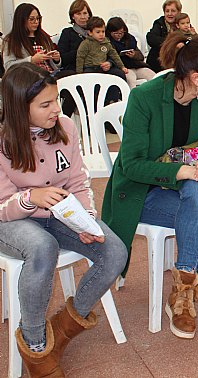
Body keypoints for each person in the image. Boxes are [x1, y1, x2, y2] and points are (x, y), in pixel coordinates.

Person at [102, 33, 198, 340]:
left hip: (186, 191)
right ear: (195, 77)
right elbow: (132, 165)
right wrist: (186, 171)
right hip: (142, 192)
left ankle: (183, 292)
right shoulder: (144, 97)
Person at [0, 63, 127, 376]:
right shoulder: (3, 140)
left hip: (60, 214)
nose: (56, 109)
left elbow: (77, 182)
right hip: (12, 219)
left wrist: (84, 220)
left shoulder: (66, 127)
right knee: (42, 247)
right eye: (45, 104)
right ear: (19, 107)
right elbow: (2, 206)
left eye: (56, 99)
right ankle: (36, 345)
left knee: (115, 252)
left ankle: (63, 328)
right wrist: (31, 198)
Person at [2, 3, 61, 73]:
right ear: (21, 20)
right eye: (31, 19)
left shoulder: (44, 37)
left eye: (38, 18)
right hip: (28, 79)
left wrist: (56, 60)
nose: (36, 22)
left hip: (49, 75)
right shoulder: (11, 40)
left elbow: (53, 66)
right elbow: (8, 66)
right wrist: (31, 60)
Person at [57, 0, 93, 116]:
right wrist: (81, 51)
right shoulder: (68, 33)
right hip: (74, 69)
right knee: (76, 84)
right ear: (73, 16)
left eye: (85, 13)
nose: (83, 17)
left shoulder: (96, 32)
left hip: (94, 67)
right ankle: (65, 120)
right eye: (78, 14)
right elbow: (62, 58)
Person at [106, 17, 156, 88]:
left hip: (136, 65)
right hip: (123, 68)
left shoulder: (129, 39)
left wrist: (134, 55)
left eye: (121, 33)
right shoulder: (107, 42)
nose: (118, 35)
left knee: (152, 75)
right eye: (115, 33)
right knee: (131, 79)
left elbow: (141, 56)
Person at [76, 16, 128, 82]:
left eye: (103, 31)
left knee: (120, 74)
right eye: (98, 32)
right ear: (90, 32)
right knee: (90, 78)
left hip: (103, 67)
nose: (101, 34)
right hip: (90, 68)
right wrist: (79, 74)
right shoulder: (86, 44)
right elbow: (80, 58)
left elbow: (114, 55)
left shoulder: (106, 42)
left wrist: (122, 67)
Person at [146, 0, 181, 72]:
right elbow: (151, 38)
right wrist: (172, 43)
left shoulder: (183, 23)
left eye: (173, 11)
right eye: (167, 11)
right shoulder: (159, 23)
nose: (169, 14)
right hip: (158, 62)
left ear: (179, 12)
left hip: (178, 62)